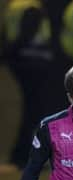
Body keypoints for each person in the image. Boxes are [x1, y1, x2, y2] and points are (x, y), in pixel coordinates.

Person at [1, 0, 54, 168]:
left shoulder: (14, 7)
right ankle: (23, 155)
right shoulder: (32, 7)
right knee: (35, 110)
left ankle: (23, 155)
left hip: (22, 62)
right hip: (34, 62)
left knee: (33, 110)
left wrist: (7, 55)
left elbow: (7, 34)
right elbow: (26, 34)